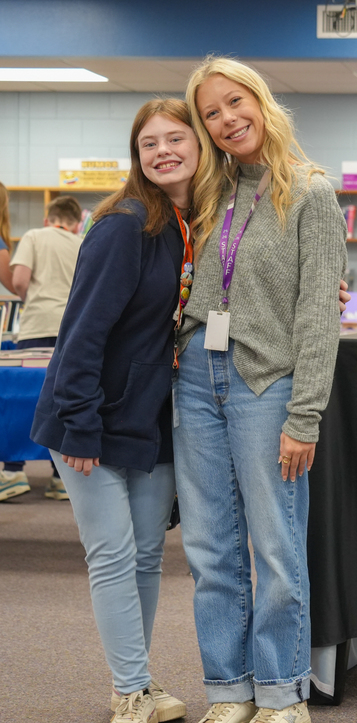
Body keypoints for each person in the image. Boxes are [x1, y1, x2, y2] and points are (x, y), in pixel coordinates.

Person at [176, 56, 347, 723]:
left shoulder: (311, 192)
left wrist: (305, 416)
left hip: (266, 383)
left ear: (260, 100)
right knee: (210, 548)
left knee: (275, 545)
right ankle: (228, 689)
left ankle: (281, 691)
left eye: (234, 102)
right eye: (210, 113)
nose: (226, 119)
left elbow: (317, 312)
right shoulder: (206, 192)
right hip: (195, 377)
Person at [29, 98, 194, 723]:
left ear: (200, 147)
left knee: (148, 555)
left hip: (151, 420)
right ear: (136, 155)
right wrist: (79, 422)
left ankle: (139, 682)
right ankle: (130, 691)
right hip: (89, 418)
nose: (162, 151)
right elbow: (81, 332)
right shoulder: (126, 224)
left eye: (175, 138)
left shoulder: (194, 226)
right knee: (114, 554)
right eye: (148, 143)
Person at [1, 195, 84, 502]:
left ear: (48, 219)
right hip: (72, 329)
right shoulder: (82, 242)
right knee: (62, 400)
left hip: (36, 327)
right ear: (76, 224)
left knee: (23, 398)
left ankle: (13, 471)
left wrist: (33, 298)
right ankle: (60, 478)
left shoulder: (34, 236)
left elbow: (20, 280)